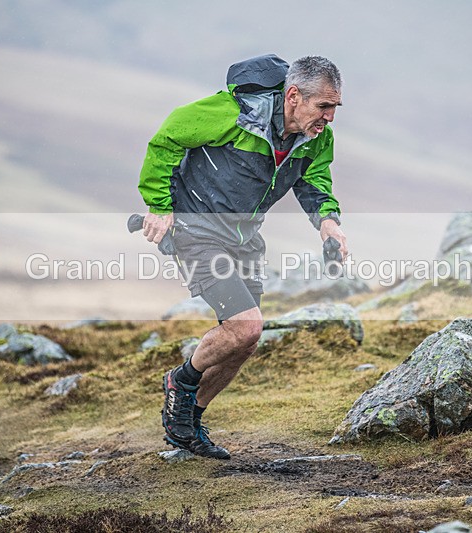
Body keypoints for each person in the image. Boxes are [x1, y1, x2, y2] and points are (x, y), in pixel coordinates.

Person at [137, 54, 348, 459]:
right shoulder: (233, 113)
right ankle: (180, 383)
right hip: (197, 229)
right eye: (323, 106)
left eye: (335, 108)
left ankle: (187, 422)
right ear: (292, 97)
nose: (329, 117)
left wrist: (328, 223)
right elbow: (167, 138)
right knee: (246, 326)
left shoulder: (317, 137)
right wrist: (159, 204)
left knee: (243, 343)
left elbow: (314, 180)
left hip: (245, 237)